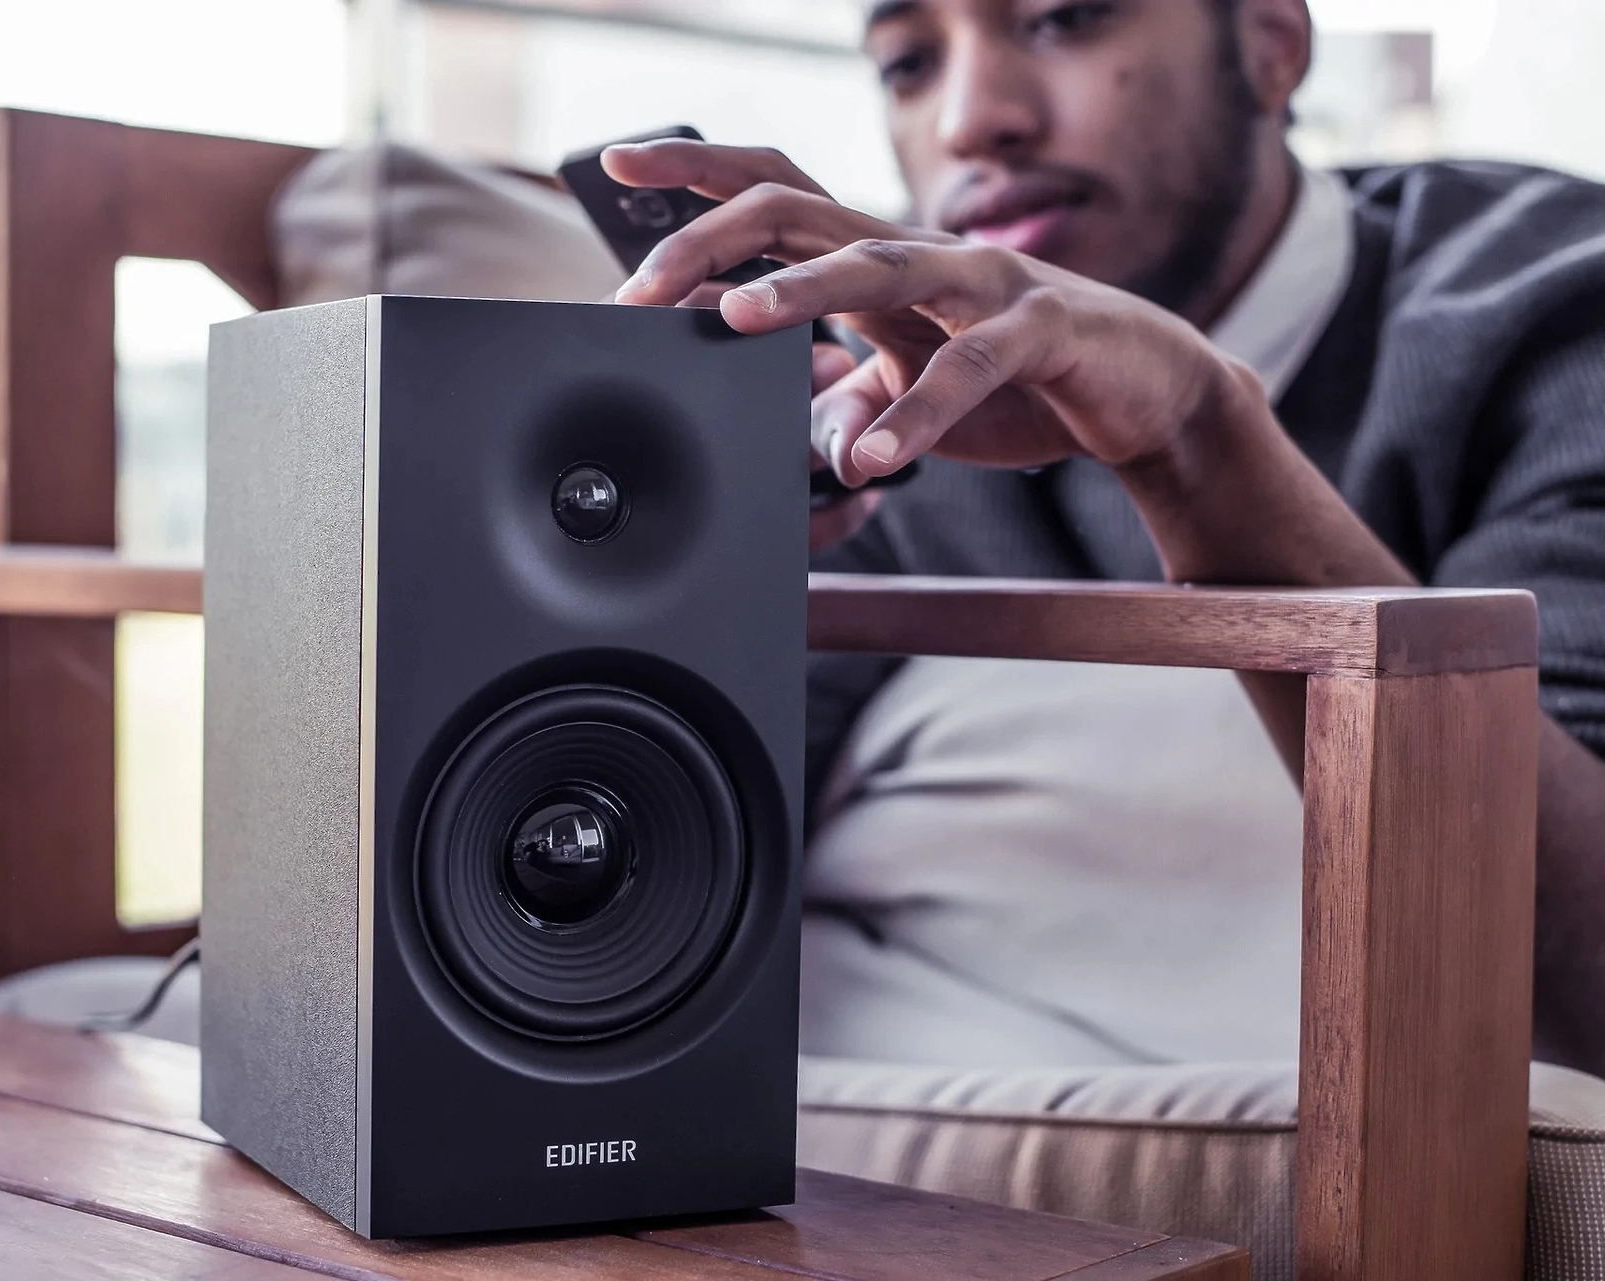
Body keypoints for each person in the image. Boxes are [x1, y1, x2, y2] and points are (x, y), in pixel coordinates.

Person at [602, 0, 1605, 1074]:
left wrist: (1197, 438)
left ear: (1271, 45)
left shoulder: (1553, 305)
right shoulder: (872, 391)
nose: (971, 119)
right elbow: (639, 906)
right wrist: (662, 580)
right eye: (908, 63)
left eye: (1061, 19)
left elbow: (1576, 978)